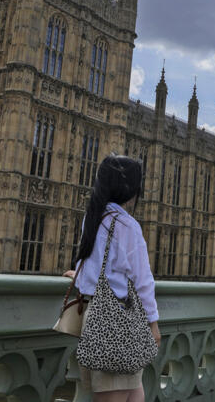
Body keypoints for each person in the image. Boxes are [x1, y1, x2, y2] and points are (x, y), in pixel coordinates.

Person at [71, 155, 160, 402]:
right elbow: (143, 281)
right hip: (118, 322)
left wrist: (79, 276)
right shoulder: (127, 224)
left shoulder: (93, 217)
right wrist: (153, 323)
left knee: (132, 392)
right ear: (131, 190)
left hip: (98, 316)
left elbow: (89, 259)